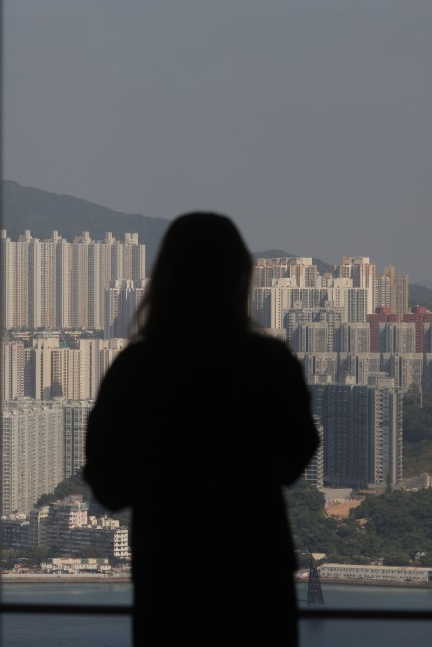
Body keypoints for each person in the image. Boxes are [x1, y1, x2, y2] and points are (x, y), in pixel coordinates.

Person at [83, 212, 319, 646]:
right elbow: (294, 458)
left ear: (163, 279)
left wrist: (163, 482)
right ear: (240, 278)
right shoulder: (269, 362)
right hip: (256, 572)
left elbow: (107, 482)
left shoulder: (136, 368)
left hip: (169, 573)